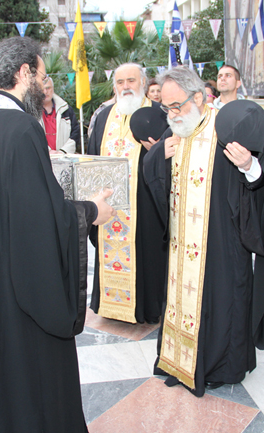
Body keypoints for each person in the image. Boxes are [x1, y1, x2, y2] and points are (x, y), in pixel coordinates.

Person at [0, 36, 115, 433]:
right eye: (41, 73)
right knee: (29, 390)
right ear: (24, 74)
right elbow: (37, 221)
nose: (44, 81)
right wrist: (90, 211)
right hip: (14, 302)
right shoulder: (21, 129)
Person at [142, 66, 264, 398]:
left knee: (223, 300)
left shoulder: (226, 128)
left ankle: (221, 366)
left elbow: (260, 180)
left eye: (176, 106)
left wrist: (249, 168)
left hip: (222, 241)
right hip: (183, 245)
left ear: (198, 97)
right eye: (166, 108)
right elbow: (156, 177)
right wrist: (158, 159)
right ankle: (179, 360)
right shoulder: (177, 130)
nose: (171, 115)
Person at [87, 63, 168, 324]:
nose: (125, 87)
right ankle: (111, 307)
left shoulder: (159, 114)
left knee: (149, 255)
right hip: (110, 208)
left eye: (131, 81)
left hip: (145, 205)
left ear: (142, 83)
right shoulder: (103, 116)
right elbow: (92, 158)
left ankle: (147, 308)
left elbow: (173, 160)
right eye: (120, 82)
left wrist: (157, 152)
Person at [40, 77, 80, 154]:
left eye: (48, 88)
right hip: (42, 158)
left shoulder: (66, 109)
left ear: (53, 88)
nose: (45, 92)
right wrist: (48, 151)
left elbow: (75, 133)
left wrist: (63, 152)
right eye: (42, 89)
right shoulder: (32, 112)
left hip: (64, 158)